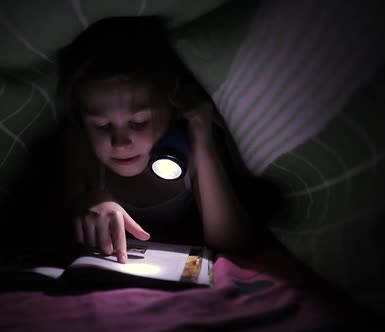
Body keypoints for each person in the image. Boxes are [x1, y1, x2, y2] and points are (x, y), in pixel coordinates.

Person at [52, 16, 252, 264]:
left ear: (171, 108)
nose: (120, 143)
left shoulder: (191, 146)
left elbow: (229, 240)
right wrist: (90, 198)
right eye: (103, 126)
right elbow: (60, 212)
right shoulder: (81, 145)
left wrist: (202, 137)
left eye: (138, 123)